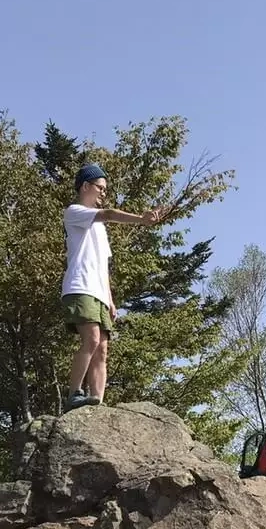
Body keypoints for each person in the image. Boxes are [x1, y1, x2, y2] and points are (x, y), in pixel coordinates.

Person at [61, 163, 166, 412]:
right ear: (85, 186)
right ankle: (74, 394)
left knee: (103, 348)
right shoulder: (74, 212)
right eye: (100, 187)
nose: (103, 193)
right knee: (92, 338)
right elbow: (107, 213)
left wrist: (110, 299)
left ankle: (97, 402)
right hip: (79, 287)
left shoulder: (100, 230)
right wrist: (141, 220)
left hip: (98, 292)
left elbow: (103, 266)